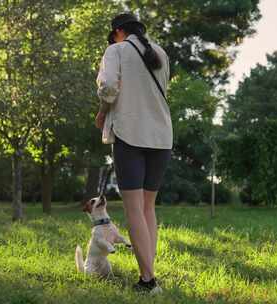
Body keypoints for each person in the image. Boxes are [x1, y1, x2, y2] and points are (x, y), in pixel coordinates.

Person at [95, 12, 172, 294]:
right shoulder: (161, 53)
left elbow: (109, 87)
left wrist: (102, 113)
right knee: (148, 208)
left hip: (130, 135)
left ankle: (149, 281)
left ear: (118, 32)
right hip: (162, 137)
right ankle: (148, 275)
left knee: (134, 209)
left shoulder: (115, 50)